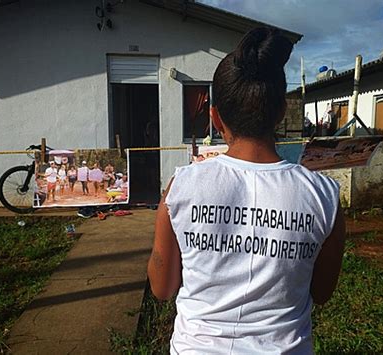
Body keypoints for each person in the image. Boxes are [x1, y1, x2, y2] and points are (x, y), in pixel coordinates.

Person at [147, 27, 346, 354]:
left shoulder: (181, 187)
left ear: (215, 117)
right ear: (282, 112)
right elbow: (322, 292)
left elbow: (162, 287)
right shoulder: (323, 196)